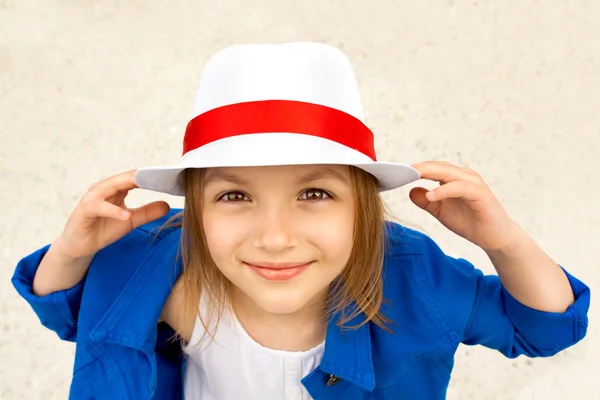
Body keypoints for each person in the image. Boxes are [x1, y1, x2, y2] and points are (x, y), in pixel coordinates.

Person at [12, 42, 590, 400]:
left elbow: (543, 330)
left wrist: (504, 241)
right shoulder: (155, 256)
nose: (275, 236)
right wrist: (72, 250)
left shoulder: (416, 278)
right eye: (234, 198)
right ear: (196, 209)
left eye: (314, 192)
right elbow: (65, 312)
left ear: (362, 208)